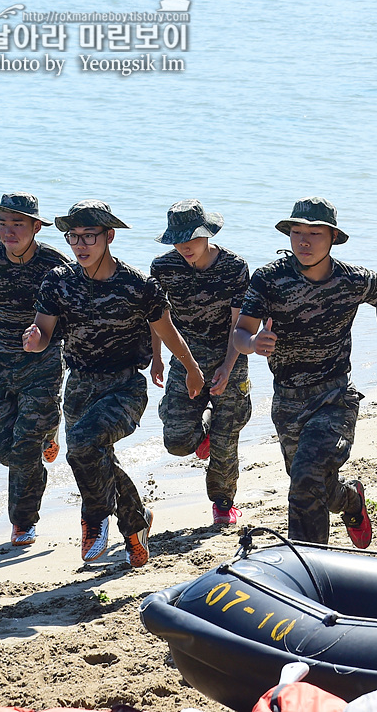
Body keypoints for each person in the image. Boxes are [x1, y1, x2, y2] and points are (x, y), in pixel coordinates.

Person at [25, 200, 204, 567]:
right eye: (73, 237)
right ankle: (137, 522)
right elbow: (44, 331)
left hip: (124, 387)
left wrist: (191, 368)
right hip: (78, 387)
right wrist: (34, 339)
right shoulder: (58, 281)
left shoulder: (137, 286)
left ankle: (94, 518)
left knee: (82, 443)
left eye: (88, 236)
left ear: (108, 236)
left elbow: (168, 333)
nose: (80, 245)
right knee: (94, 455)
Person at [233, 197, 377, 547]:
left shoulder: (352, 279)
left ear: (332, 237)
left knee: (305, 478)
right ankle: (351, 500)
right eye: (296, 232)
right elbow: (240, 332)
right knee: (312, 485)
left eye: (314, 233)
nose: (303, 241)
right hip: (287, 401)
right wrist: (253, 343)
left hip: (334, 397)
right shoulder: (269, 278)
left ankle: (309, 562)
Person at [0, 193, 69, 547]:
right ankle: (48, 434)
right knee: (5, 450)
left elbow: (77, 306)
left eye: (18, 223)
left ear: (36, 226)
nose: (9, 230)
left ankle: (23, 522)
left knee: (23, 451)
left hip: (44, 363)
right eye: (3, 222)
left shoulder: (55, 264)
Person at [150, 200, 252, 526]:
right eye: (177, 240)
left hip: (229, 358)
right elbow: (158, 319)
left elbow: (241, 325)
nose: (184, 247)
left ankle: (223, 502)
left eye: (191, 238)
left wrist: (227, 365)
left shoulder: (235, 267)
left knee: (226, 438)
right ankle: (201, 431)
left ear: (207, 233)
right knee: (177, 441)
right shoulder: (163, 269)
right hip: (185, 359)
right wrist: (157, 359)